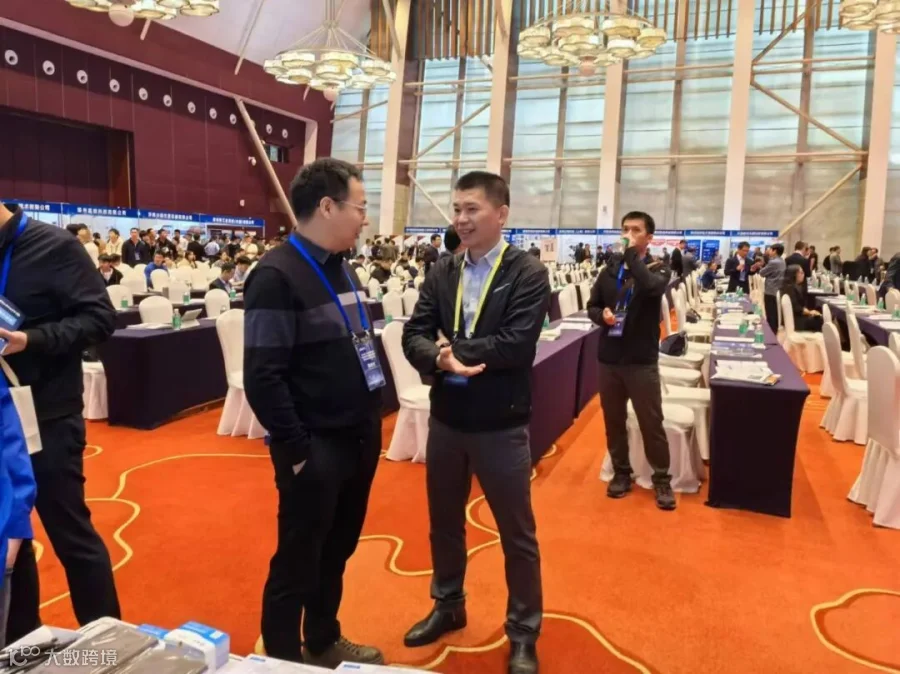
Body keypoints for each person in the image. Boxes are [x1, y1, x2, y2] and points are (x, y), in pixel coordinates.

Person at [401, 171, 548, 674]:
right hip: (447, 417)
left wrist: (451, 350)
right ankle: (448, 604)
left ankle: (523, 631)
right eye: (457, 209)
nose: (461, 220)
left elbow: (516, 344)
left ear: (500, 214)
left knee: (516, 533)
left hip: (501, 423)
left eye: (472, 210)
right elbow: (414, 334)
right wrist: (439, 359)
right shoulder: (443, 269)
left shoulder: (527, 272)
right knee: (444, 523)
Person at [244, 158, 384, 668]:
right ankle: (281, 659)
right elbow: (263, 377)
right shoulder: (276, 275)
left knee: (337, 549)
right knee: (298, 559)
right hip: (315, 446)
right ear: (327, 206)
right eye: (360, 207)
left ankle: (323, 638)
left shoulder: (341, 265)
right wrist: (299, 450)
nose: (365, 218)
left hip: (358, 434)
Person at [0, 201, 121, 645]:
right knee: (10, 537)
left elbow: (100, 318)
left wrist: (31, 339)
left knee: (71, 535)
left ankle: (109, 648)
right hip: (1, 419)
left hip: (47, 418)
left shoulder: (54, 246)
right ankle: (21, 645)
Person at [586, 212, 676, 512]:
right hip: (609, 358)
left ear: (649, 237)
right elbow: (592, 305)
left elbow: (651, 287)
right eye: (625, 229)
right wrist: (602, 316)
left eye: (636, 230)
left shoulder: (659, 268)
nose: (628, 234)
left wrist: (631, 256)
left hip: (641, 360)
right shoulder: (609, 270)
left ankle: (661, 478)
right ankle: (622, 472)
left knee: (651, 422)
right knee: (614, 421)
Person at [781, 265, 823, 331]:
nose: (803, 274)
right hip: (796, 321)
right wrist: (810, 312)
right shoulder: (790, 288)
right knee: (820, 320)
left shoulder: (789, 286)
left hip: (795, 317)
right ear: (794, 275)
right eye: (801, 272)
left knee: (818, 313)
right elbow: (796, 308)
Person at [759, 244, 786, 333]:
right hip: (778, 289)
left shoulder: (773, 262)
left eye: (770, 249)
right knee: (775, 313)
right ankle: (773, 331)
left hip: (771, 290)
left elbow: (762, 273)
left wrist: (761, 267)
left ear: (775, 251)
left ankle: (771, 333)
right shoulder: (782, 261)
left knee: (770, 314)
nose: (768, 251)